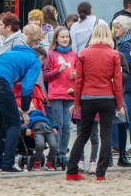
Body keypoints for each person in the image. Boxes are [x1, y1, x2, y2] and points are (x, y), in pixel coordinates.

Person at [65, 24, 123, 181]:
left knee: (83, 134)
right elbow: (117, 81)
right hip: (107, 97)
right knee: (106, 134)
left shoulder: (84, 53)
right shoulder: (113, 54)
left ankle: (71, 171)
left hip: (87, 97)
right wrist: (120, 105)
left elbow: (79, 80)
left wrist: (77, 102)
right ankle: (100, 173)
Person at [0, 44, 44, 173]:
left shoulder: (10, 53)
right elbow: (27, 87)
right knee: (13, 123)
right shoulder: (35, 60)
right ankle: (8, 164)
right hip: (0, 82)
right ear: (41, 57)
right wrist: (25, 111)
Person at [44, 26, 77, 163]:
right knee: (58, 123)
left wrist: (76, 75)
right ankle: (55, 151)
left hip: (70, 93)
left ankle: (63, 152)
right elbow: (46, 75)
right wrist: (59, 70)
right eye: (62, 37)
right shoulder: (51, 54)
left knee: (67, 125)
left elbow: (80, 72)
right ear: (56, 39)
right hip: (56, 93)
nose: (65, 39)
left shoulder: (74, 54)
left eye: (67, 37)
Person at [112, 15, 131, 164]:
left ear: (126, 29)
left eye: (118, 27)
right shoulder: (129, 41)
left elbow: (126, 65)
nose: (115, 30)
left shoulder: (125, 44)